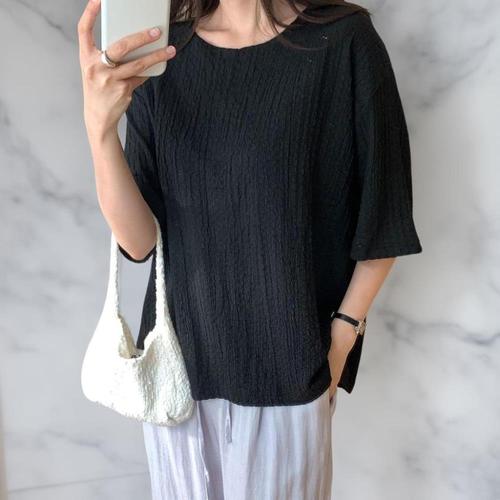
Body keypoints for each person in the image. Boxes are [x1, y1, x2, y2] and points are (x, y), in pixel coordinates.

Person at [78, 0, 423, 498]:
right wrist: (100, 130)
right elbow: (140, 241)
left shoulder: (344, 42)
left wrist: (341, 340)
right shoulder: (164, 54)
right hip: (178, 379)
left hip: (290, 375)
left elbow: (383, 214)